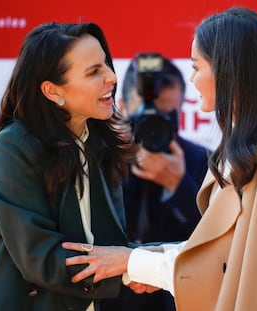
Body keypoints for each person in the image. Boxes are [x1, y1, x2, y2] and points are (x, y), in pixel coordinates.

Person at [62, 6, 257, 311]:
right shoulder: (247, 154)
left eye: (196, 66)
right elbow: (223, 259)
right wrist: (136, 263)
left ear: (229, 72)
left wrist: (175, 189)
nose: (193, 78)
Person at [0, 21, 139, 311]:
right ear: (52, 90)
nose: (111, 77)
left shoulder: (100, 144)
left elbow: (108, 245)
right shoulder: (12, 148)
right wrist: (132, 271)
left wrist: (150, 263)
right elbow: (41, 258)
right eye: (94, 72)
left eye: (106, 64)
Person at [100, 55, 209, 311]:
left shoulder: (204, 163)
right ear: (123, 105)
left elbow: (211, 247)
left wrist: (179, 186)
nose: (155, 125)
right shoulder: (98, 158)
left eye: (167, 116)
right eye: (147, 116)